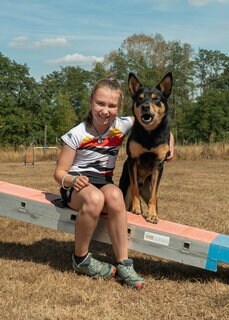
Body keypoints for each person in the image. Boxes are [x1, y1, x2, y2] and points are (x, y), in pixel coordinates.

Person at [54, 78, 174, 289]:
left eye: (111, 106)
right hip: (76, 186)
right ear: (91, 101)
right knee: (94, 198)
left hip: (103, 181)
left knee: (117, 195)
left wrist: (171, 144)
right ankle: (81, 259)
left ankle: (124, 263)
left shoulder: (122, 124)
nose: (105, 110)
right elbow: (59, 173)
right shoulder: (76, 133)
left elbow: (159, 125)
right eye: (100, 103)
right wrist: (73, 179)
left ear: (119, 108)